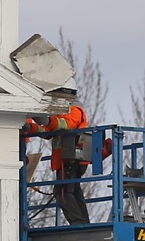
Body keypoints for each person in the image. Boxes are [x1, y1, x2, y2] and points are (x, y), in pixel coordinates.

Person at [23, 89, 96, 224]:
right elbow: (48, 132)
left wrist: (48, 120)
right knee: (73, 191)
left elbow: (67, 125)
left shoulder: (74, 109)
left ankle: (78, 223)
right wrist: (31, 127)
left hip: (71, 158)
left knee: (62, 191)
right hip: (68, 158)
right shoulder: (61, 112)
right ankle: (83, 222)